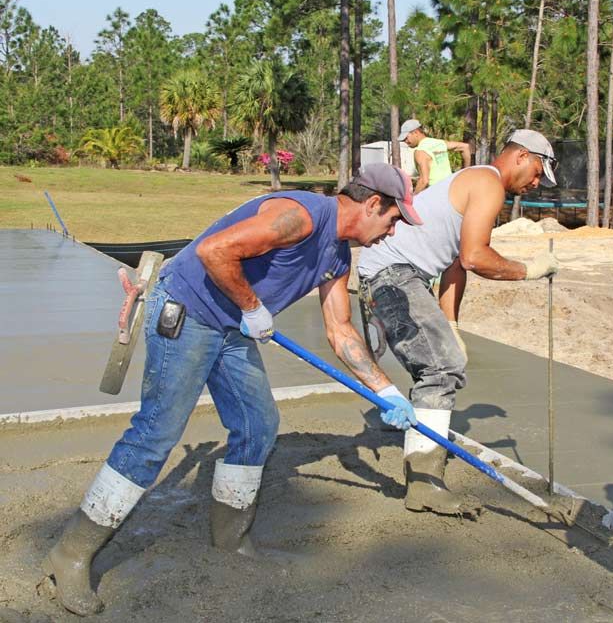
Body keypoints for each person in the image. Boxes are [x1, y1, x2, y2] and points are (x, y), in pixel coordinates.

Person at [42, 164, 422, 616]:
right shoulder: (300, 215)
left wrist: (387, 391)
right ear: (373, 203)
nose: (391, 232)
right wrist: (254, 307)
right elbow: (214, 249)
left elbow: (340, 329)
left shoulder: (338, 256)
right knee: (155, 435)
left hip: (231, 326)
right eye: (394, 220)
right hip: (188, 310)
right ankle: (67, 556)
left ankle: (230, 539)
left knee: (257, 424)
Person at [357, 129, 560, 518]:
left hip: (396, 275)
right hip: (392, 275)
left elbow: (454, 265)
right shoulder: (488, 183)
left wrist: (450, 324)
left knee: (441, 360)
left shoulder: (474, 183)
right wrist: (529, 269)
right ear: (519, 156)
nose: (535, 182)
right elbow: (475, 256)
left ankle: (423, 467)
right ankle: (424, 484)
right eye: (536, 171)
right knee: (441, 368)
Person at [399, 118, 472, 193]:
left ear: (416, 132)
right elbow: (465, 147)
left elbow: (424, 181)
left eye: (406, 138)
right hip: (450, 190)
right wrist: (464, 173)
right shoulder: (438, 143)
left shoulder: (420, 151)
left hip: (434, 192)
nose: (405, 141)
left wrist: (413, 199)